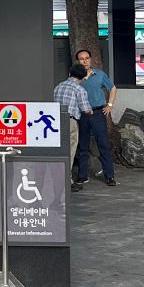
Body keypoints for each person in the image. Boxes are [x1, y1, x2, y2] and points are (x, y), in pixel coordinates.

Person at [75, 49, 117, 187]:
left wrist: (110, 105)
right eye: (81, 59)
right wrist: (82, 79)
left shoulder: (99, 74)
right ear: (78, 61)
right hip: (82, 114)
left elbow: (112, 87)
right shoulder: (74, 76)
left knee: (103, 144)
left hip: (98, 113)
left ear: (91, 59)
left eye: (87, 58)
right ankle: (82, 176)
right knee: (82, 145)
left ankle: (109, 176)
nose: (85, 61)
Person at [54, 63, 92, 191]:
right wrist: (91, 111)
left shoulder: (58, 86)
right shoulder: (79, 89)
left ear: (69, 74)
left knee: (59, 151)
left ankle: (56, 178)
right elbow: (86, 109)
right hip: (70, 121)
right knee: (69, 151)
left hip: (56, 121)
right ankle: (66, 181)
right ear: (83, 77)